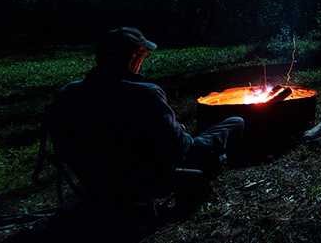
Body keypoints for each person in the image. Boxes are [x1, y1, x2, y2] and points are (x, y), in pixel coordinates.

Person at [49, 27, 244, 205]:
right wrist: (180, 133)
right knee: (235, 123)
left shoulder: (67, 94)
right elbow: (180, 149)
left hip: (95, 180)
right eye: (143, 55)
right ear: (134, 58)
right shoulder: (145, 94)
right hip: (149, 180)